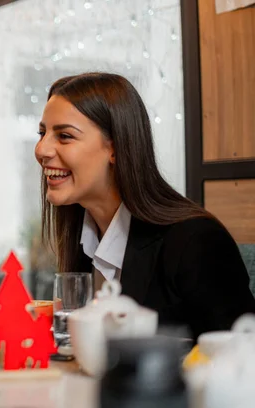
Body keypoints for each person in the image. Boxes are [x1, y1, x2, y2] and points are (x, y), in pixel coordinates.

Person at [35, 72, 255, 339]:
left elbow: (242, 360)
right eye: (43, 133)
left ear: (115, 147)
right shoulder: (82, 242)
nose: (42, 150)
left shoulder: (196, 242)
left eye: (65, 136)